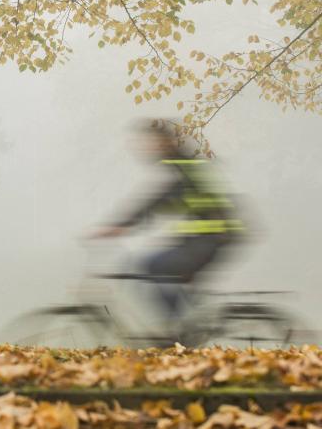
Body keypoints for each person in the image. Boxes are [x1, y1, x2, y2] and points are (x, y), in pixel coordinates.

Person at [90, 120, 245, 342]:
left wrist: (120, 226)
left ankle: (176, 328)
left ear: (168, 142)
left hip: (212, 239)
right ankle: (182, 325)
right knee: (162, 270)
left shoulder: (185, 168)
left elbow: (159, 200)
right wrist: (125, 224)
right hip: (208, 239)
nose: (147, 147)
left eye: (153, 142)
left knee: (152, 265)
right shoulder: (183, 167)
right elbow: (162, 202)